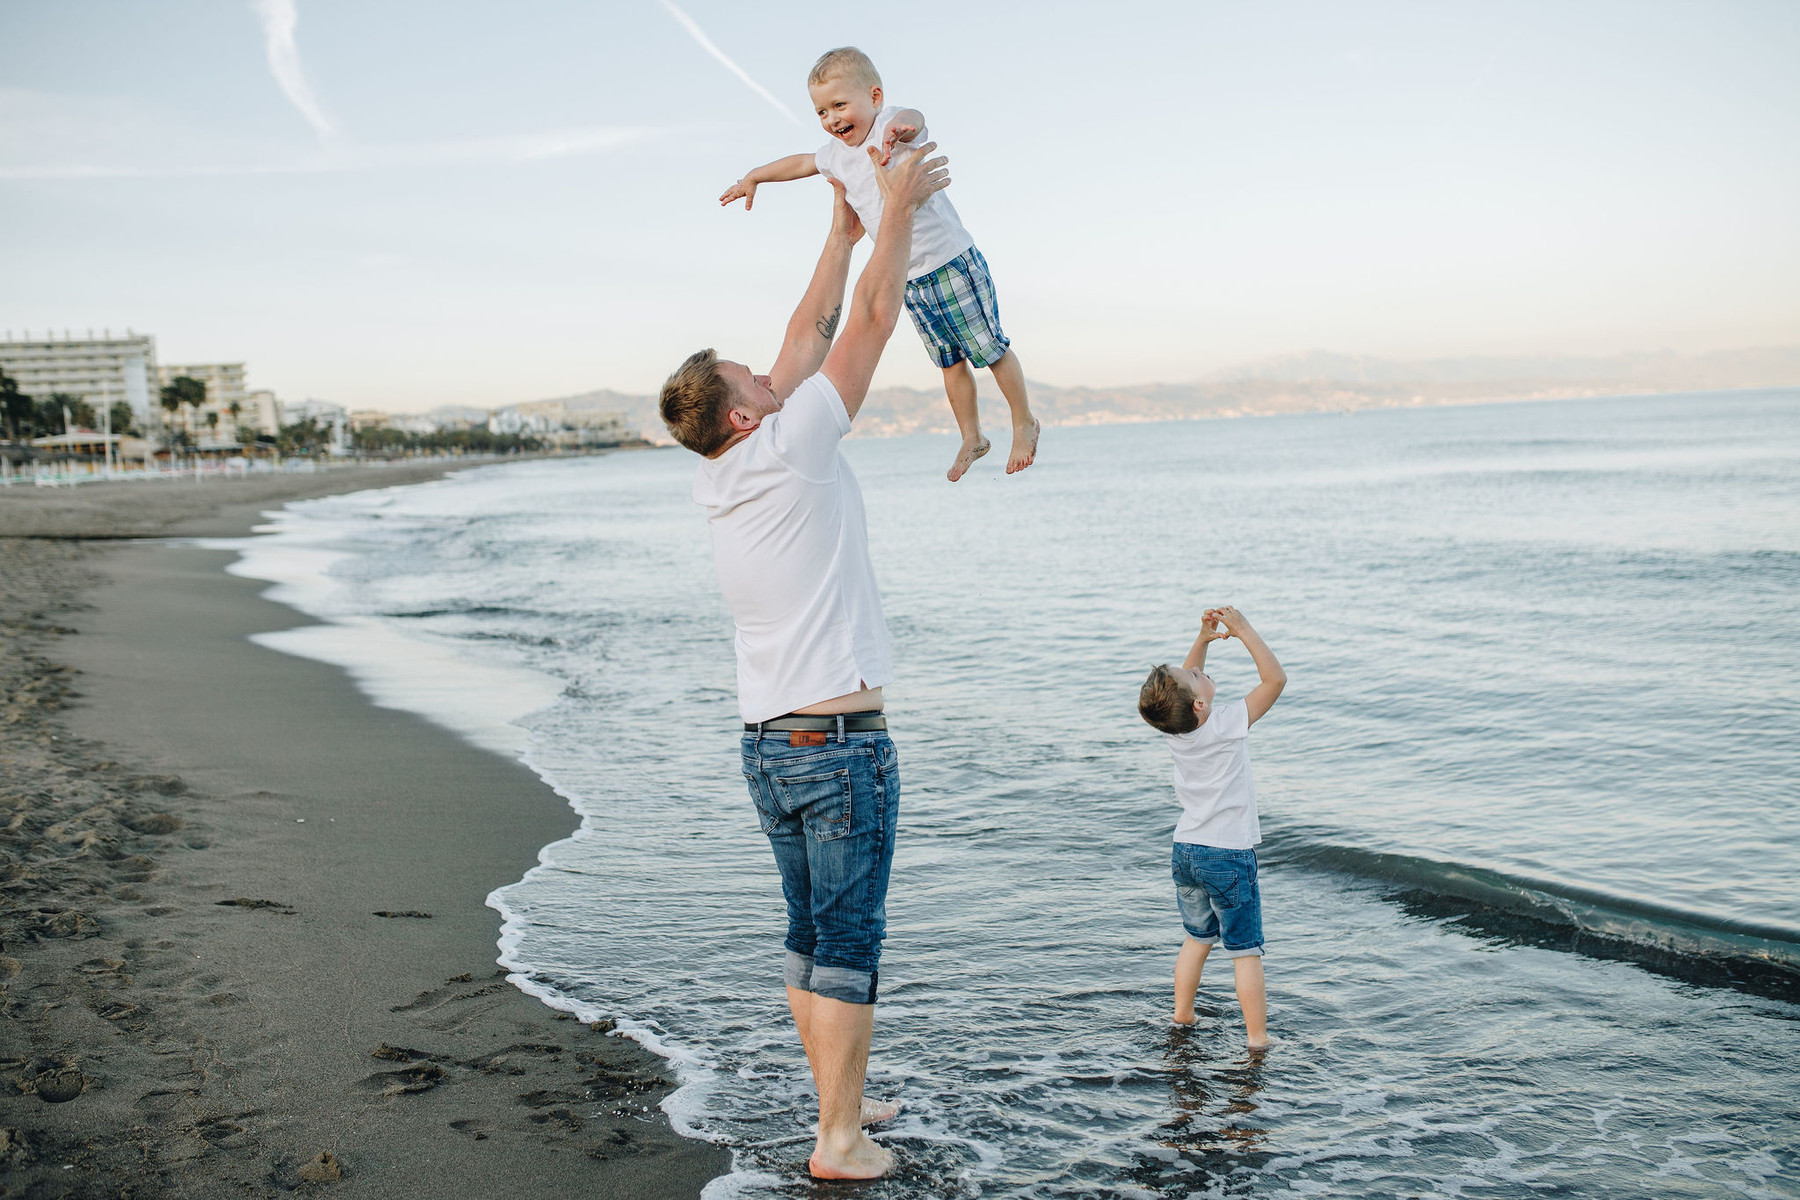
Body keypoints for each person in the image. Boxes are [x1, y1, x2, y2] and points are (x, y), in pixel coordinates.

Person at [658, 138, 950, 1180]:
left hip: (770, 746)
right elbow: (863, 323)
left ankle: (845, 1101)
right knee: (848, 944)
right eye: (751, 376)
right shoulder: (792, 444)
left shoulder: (724, 472)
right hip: (835, 748)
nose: (768, 367)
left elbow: (802, 331)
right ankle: (838, 1139)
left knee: (807, 937)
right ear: (746, 411)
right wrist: (900, 209)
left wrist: (839, 226)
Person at [719, 45, 1041, 483]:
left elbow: (915, 115)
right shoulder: (834, 155)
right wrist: (755, 176)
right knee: (949, 362)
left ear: (873, 97)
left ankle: (1024, 421)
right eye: (821, 112)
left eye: (839, 105)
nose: (831, 119)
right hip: (907, 279)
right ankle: (972, 435)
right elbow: (798, 163)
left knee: (991, 350)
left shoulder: (889, 126)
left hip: (951, 261)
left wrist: (907, 127)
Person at [1136, 606, 1287, 1050]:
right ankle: (1258, 1040)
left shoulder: (1175, 728)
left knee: (1196, 939)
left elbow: (1182, 682)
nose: (1198, 671)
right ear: (1201, 703)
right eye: (1197, 676)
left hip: (1186, 851)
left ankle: (1182, 1015)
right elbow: (1275, 681)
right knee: (1245, 952)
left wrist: (1202, 637)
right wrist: (1243, 631)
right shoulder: (1223, 724)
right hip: (1227, 854)